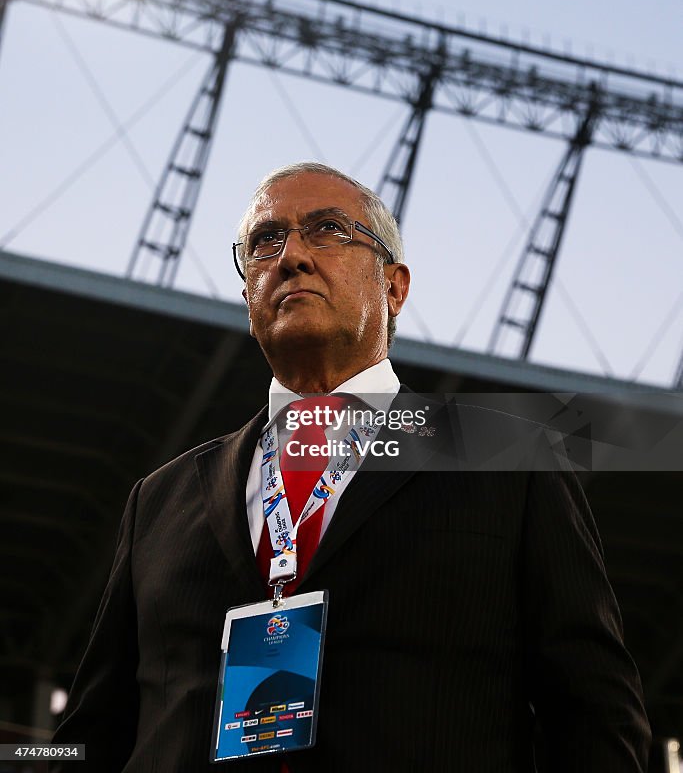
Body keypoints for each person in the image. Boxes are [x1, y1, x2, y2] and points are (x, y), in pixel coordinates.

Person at [52, 161, 651, 772]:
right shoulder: (159, 498)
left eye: (329, 230)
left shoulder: (509, 459)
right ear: (247, 294)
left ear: (394, 286)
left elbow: (594, 713)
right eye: (265, 240)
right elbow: (88, 734)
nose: (291, 256)